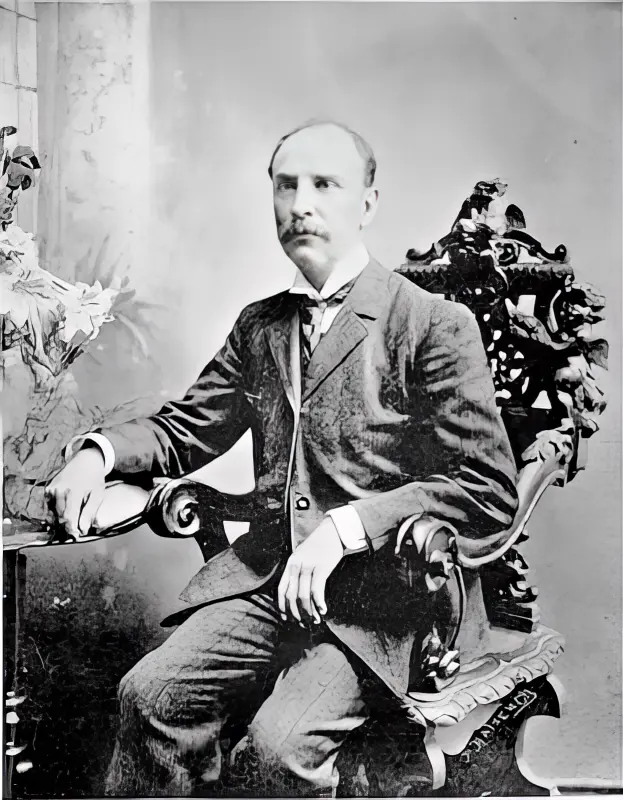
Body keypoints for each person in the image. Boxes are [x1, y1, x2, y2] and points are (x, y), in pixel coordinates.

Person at [45, 120, 519, 797]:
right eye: (285, 186)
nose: (301, 204)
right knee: (150, 696)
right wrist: (97, 454)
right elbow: (186, 429)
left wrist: (346, 529)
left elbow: (486, 487)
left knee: (277, 749)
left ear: (367, 203)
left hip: (383, 607)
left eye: (324, 185)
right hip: (267, 587)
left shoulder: (430, 323)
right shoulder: (260, 324)